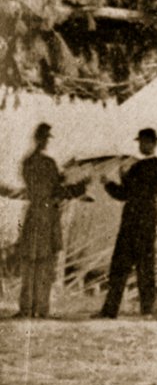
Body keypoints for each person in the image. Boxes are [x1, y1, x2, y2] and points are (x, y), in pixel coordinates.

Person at [13, 124, 89, 318]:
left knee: (31, 262)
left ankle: (26, 308)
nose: (46, 141)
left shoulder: (28, 162)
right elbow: (56, 190)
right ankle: (42, 308)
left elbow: (42, 186)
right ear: (42, 139)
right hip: (47, 216)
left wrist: (60, 179)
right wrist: (80, 187)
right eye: (46, 138)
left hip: (34, 214)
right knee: (45, 264)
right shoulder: (48, 163)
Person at [98, 128, 157, 319]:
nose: (141, 145)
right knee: (123, 264)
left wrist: (118, 180)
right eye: (141, 142)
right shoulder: (140, 166)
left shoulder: (153, 166)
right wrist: (113, 182)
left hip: (142, 220)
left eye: (145, 142)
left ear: (153, 144)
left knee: (142, 265)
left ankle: (145, 310)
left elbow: (133, 191)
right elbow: (125, 193)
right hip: (134, 219)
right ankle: (112, 310)